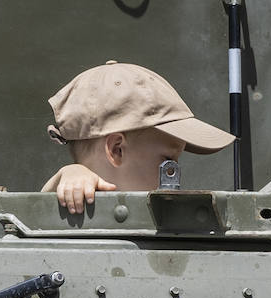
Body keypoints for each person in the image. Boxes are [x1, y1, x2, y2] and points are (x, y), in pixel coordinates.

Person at [43, 60, 235, 211]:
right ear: (117, 150)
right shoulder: (74, 189)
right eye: (168, 161)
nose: (174, 174)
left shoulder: (164, 216)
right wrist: (69, 176)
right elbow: (33, 213)